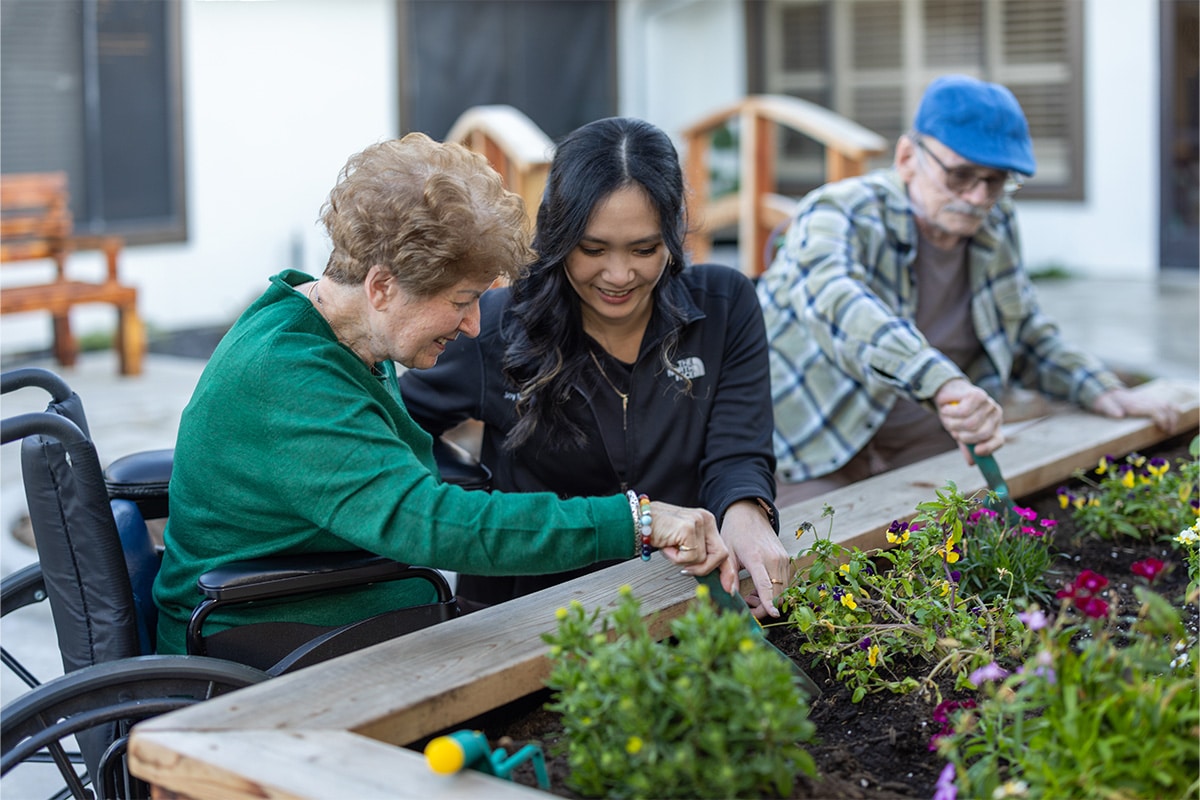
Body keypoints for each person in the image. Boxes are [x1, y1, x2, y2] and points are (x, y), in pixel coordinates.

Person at [152, 133, 737, 655]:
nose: (474, 326)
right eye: (461, 301)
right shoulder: (290, 380)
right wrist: (634, 520)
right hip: (258, 639)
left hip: (334, 606)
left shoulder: (329, 327)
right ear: (382, 286)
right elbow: (429, 524)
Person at [399, 117, 791, 619]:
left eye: (645, 249)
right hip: (530, 614)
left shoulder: (724, 305)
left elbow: (738, 449)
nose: (619, 275)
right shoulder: (493, 327)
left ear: (672, 236)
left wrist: (747, 515)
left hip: (680, 598)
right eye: (593, 249)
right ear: (559, 236)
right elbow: (399, 426)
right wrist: (478, 500)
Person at [758, 74, 1180, 506]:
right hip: (813, 445)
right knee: (814, 557)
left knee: (966, 552)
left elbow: (1026, 336)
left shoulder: (995, 221)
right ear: (907, 157)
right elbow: (838, 304)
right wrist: (941, 384)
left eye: (995, 180)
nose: (978, 197)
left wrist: (1102, 389)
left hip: (927, 443)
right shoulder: (837, 210)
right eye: (960, 175)